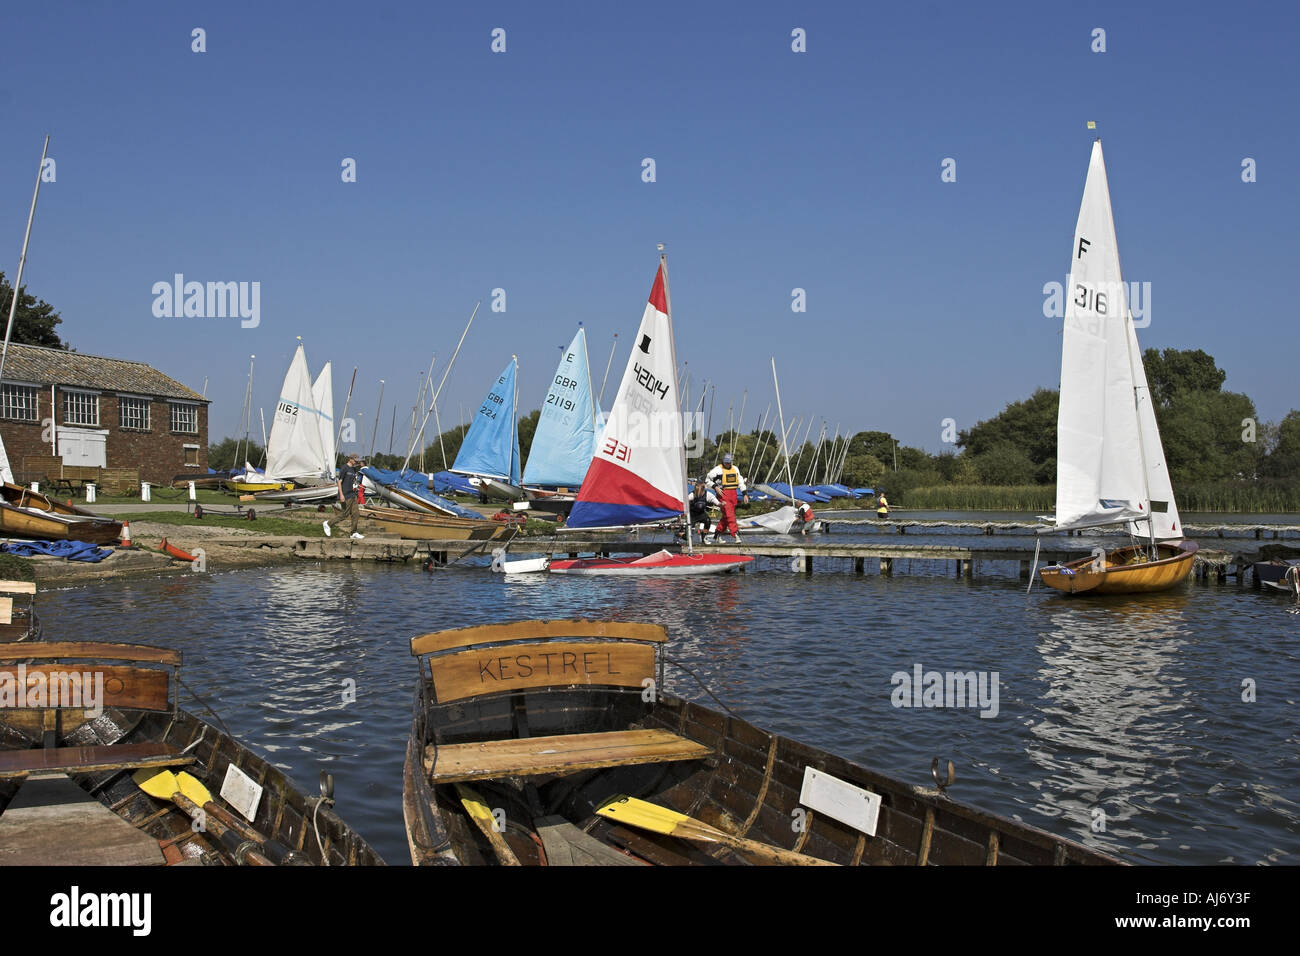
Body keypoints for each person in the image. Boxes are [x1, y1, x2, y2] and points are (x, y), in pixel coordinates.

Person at [706, 452, 748, 543]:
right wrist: (715, 487)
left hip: (733, 495)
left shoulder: (735, 469)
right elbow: (707, 480)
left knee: (726, 517)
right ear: (723, 461)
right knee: (730, 515)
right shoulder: (717, 470)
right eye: (726, 462)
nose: (727, 464)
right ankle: (736, 534)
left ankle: (717, 534)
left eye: (729, 462)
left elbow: (740, 482)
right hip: (723, 495)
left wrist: (744, 493)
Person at [327, 454, 364, 538]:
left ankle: (353, 533)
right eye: (355, 460)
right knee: (344, 514)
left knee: (356, 513)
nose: (356, 462)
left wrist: (356, 485)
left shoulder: (354, 469)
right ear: (350, 459)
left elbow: (352, 480)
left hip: (352, 494)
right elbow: (339, 482)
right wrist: (341, 495)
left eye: (357, 461)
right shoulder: (344, 468)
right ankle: (328, 524)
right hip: (345, 494)